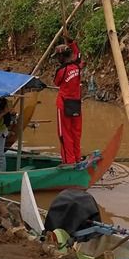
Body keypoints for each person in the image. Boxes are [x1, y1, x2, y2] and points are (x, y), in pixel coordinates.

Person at [53, 36, 83, 164]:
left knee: (65, 135)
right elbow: (78, 54)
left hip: (64, 105)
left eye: (58, 57)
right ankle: (77, 158)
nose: (57, 59)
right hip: (76, 105)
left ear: (62, 57)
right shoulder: (77, 66)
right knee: (76, 133)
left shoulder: (61, 70)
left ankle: (69, 162)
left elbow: (56, 83)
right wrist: (72, 43)